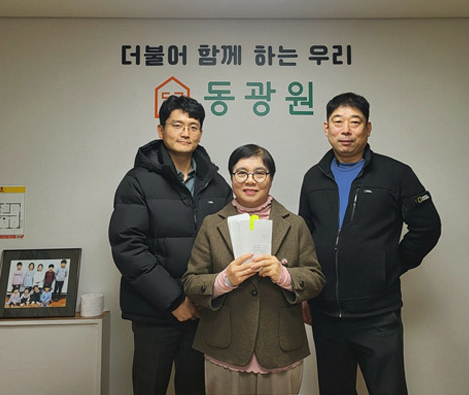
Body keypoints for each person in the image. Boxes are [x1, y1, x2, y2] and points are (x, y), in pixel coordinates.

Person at [299, 93, 442, 395]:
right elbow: (305, 237)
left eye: (355, 122)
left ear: (368, 128)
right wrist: (306, 293)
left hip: (377, 316)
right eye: (338, 122)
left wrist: (391, 264)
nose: (346, 130)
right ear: (326, 128)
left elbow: (427, 226)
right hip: (326, 315)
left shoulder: (396, 174)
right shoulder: (313, 178)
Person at [109, 95, 232, 395]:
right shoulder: (137, 181)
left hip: (202, 312)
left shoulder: (217, 184)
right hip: (154, 312)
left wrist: (204, 296)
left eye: (193, 126)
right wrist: (174, 301)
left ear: (200, 133)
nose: (185, 133)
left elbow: (228, 245)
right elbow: (128, 247)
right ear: (161, 129)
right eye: (177, 125)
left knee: (195, 388)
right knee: (150, 387)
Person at [183, 144, 325, 395]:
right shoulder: (212, 225)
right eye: (241, 173)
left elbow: (316, 279)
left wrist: (284, 276)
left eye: (259, 173)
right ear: (231, 177)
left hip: (281, 349)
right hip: (224, 348)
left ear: (271, 178)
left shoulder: (295, 225)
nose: (250, 180)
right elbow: (191, 282)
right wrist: (225, 279)